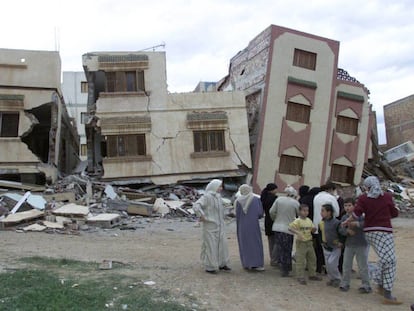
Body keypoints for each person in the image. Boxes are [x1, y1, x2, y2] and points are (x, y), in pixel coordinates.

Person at [348, 176, 402, 305]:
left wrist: (348, 221)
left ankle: (382, 286)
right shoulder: (387, 197)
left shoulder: (363, 198)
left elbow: (356, 215)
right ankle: (385, 291)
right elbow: (394, 213)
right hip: (384, 231)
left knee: (386, 259)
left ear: (367, 187)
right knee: (390, 260)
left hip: (370, 232)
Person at [193, 179, 231, 274]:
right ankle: (210, 266)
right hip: (210, 226)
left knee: (222, 245)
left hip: (220, 225)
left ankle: (222, 263)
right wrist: (201, 215)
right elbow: (196, 205)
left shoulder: (218, 197)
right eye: (219, 187)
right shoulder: (206, 197)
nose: (221, 189)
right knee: (211, 246)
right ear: (214, 187)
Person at [338, 197, 371, 293]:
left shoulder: (361, 216)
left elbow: (367, 224)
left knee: (362, 265)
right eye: (345, 206)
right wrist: (346, 231)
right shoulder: (344, 217)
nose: (347, 208)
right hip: (349, 244)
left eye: (349, 205)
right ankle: (345, 283)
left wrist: (357, 224)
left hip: (361, 243)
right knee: (346, 265)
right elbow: (340, 229)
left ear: (354, 206)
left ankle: (366, 285)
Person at [269, 185, 299, 277]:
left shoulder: (279, 200)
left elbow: (271, 212)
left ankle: (281, 265)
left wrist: (276, 219)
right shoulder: (295, 203)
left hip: (277, 227)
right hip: (288, 229)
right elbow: (298, 215)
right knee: (287, 249)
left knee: (280, 247)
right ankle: (285, 268)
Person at [289, 203, 322, 285]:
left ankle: (312, 274)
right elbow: (290, 228)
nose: (306, 212)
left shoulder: (309, 220)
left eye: (307, 211)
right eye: (304, 211)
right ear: (300, 211)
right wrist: (297, 232)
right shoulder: (297, 221)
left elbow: (312, 229)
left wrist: (314, 229)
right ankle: (300, 276)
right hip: (301, 243)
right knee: (300, 260)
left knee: (312, 258)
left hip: (309, 242)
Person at [234, 184, 265, 271]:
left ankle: (247, 264)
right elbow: (260, 213)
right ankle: (256, 264)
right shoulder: (255, 199)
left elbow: (236, 213)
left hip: (241, 226)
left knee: (245, 244)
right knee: (255, 243)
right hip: (253, 225)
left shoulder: (238, 201)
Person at [313, 183, 340, 274]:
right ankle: (328, 268)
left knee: (318, 249)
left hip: (317, 225)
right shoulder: (331, 198)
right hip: (329, 226)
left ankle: (318, 267)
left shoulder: (316, 197)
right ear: (331, 189)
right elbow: (337, 213)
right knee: (328, 249)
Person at [319, 203, 345, 287]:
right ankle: (332, 278)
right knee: (327, 264)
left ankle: (337, 278)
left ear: (329, 212)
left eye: (323, 211)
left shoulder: (337, 223)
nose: (321, 213)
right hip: (326, 246)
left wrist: (341, 242)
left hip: (335, 247)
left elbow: (341, 233)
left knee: (332, 263)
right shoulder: (322, 223)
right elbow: (320, 233)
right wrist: (321, 242)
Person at [260, 183, 278, 266]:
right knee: (276, 242)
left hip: (267, 220)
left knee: (271, 241)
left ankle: (272, 258)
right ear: (272, 190)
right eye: (275, 189)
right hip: (273, 220)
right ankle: (275, 259)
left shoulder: (264, 198)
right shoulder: (274, 199)